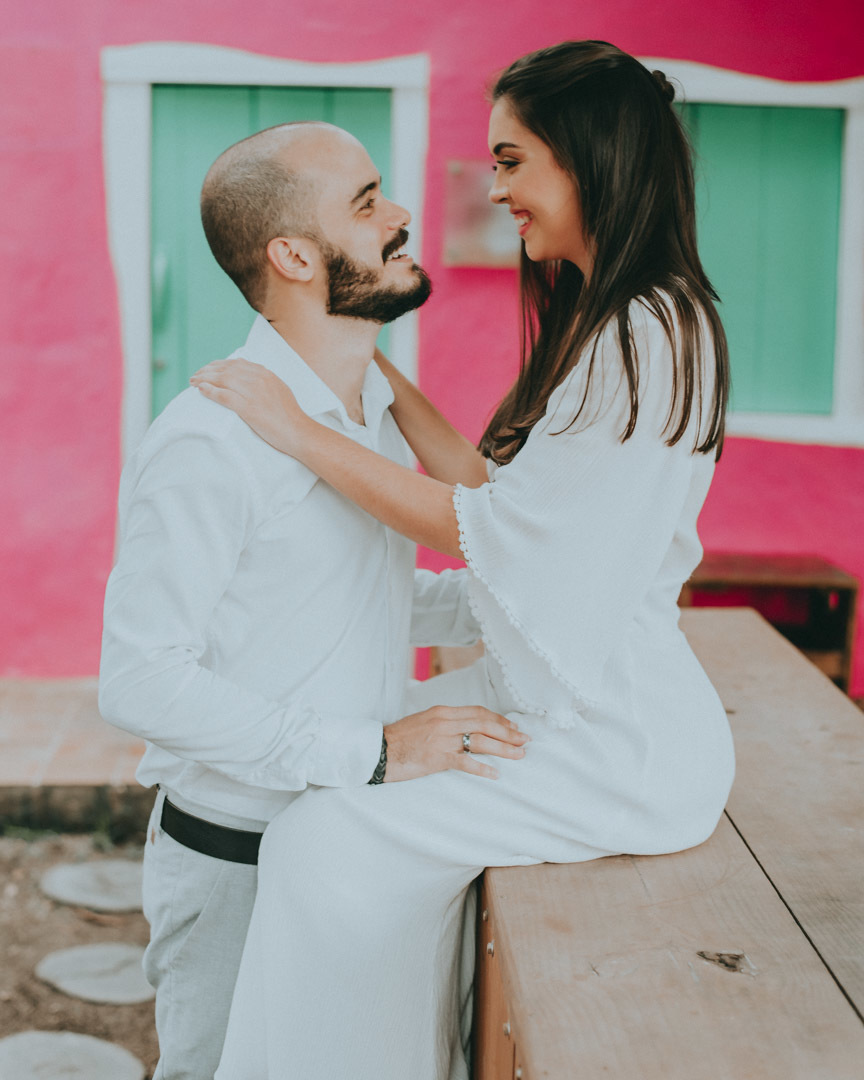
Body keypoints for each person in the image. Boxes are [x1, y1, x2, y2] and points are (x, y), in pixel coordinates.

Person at [197, 40, 736, 1080]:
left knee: (325, 845)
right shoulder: (626, 316)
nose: (496, 191)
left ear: (589, 159)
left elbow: (476, 530)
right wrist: (365, 364)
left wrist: (297, 429)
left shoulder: (645, 333)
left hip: (612, 734)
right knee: (333, 830)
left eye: (513, 160)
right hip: (577, 704)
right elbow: (500, 493)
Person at [98, 121, 529, 1080]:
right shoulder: (210, 440)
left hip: (357, 840)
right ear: (294, 254)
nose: (404, 215)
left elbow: (342, 593)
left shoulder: (365, 410)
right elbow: (137, 678)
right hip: (237, 860)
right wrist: (375, 752)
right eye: (369, 202)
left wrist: (532, 597)